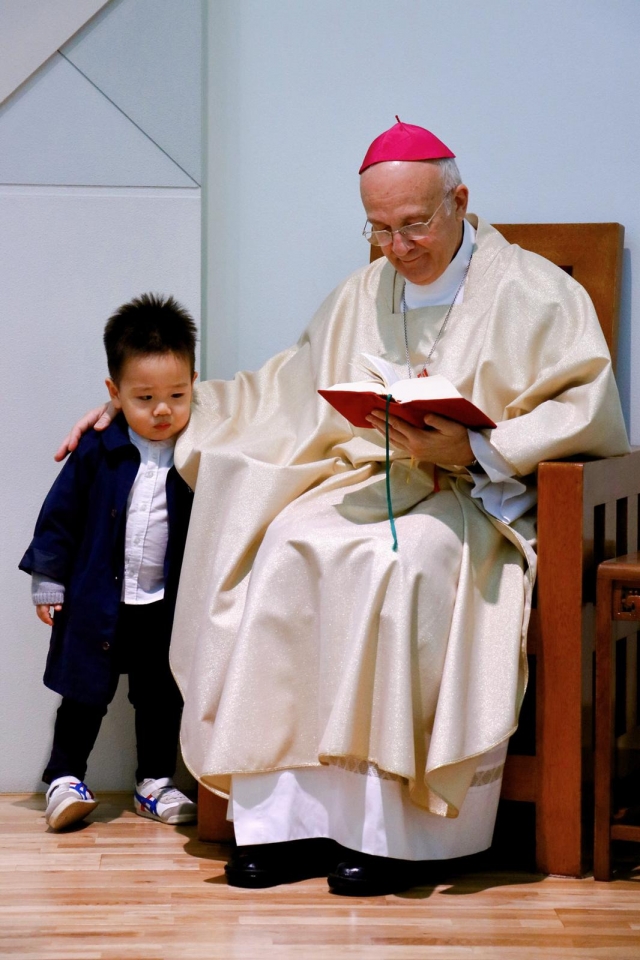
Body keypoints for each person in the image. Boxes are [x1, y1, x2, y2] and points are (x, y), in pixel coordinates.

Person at [60, 121, 629, 893]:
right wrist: (157, 410)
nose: (396, 247)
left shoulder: (537, 292)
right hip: (368, 481)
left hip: (474, 500)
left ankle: (402, 835)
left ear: (459, 200)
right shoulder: (364, 293)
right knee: (288, 545)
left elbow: (586, 406)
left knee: (398, 565)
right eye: (379, 228)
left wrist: (477, 450)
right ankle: (291, 825)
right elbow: (282, 389)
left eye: (414, 224)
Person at [21, 294, 198, 831]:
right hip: (98, 600)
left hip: (162, 606)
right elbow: (60, 515)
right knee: (84, 693)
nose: (162, 409)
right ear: (114, 394)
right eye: (144, 397)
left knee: (160, 696)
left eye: (177, 394)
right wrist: (49, 580)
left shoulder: (200, 449)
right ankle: (64, 777)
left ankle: (154, 782)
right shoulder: (99, 449)